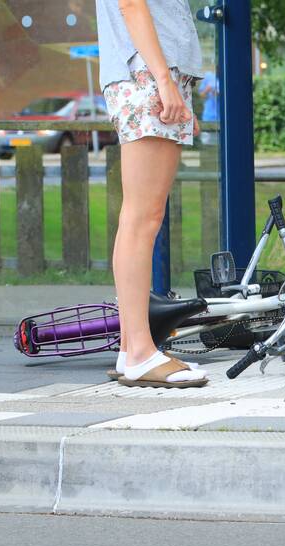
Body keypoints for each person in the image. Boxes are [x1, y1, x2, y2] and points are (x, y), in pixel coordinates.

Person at [96, 0, 209, 388]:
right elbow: (131, 4)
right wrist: (163, 80)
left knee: (142, 216)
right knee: (142, 218)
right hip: (145, 75)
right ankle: (142, 354)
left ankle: (132, 350)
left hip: (150, 74)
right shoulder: (152, 76)